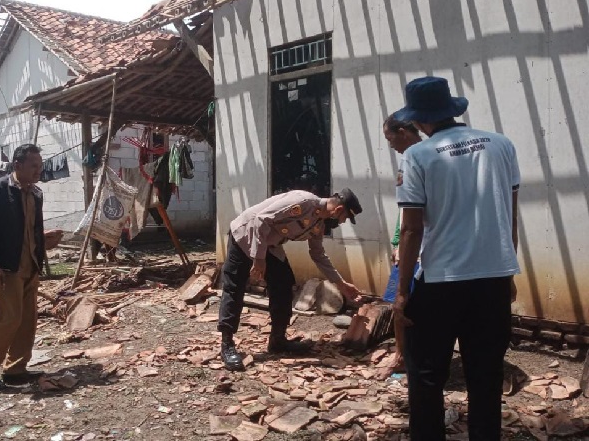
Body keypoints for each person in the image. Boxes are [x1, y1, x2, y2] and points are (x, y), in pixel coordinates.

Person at [392, 76, 520, 440]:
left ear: (418, 120)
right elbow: (509, 216)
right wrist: (507, 273)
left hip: (442, 283)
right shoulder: (501, 145)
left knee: (427, 376)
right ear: (451, 109)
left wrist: (401, 293)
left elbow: (412, 229)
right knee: (486, 375)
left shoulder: (418, 155)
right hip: (493, 281)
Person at [218, 188, 363, 371]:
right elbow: (260, 219)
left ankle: (278, 340)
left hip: (270, 245)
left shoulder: (318, 224)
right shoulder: (303, 202)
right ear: (338, 209)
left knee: (284, 284)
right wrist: (259, 259)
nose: (341, 222)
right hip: (245, 234)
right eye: (344, 218)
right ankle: (227, 345)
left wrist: (341, 284)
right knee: (235, 286)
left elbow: (318, 255)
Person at [0, 144, 63, 390]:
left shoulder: (36, 193)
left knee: (27, 320)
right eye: (34, 165)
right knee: (6, 319)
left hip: (30, 264)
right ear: (17, 165)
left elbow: (29, 230)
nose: (38, 170)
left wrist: (45, 239)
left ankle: (16, 369)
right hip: (7, 268)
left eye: (40, 165)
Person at [382, 115, 422, 376]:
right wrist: (398, 242)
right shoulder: (410, 160)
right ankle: (401, 355)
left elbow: (414, 222)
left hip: (424, 249)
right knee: (398, 306)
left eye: (390, 139)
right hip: (408, 246)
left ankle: (407, 358)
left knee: (405, 303)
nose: (391, 145)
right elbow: (405, 214)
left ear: (402, 132)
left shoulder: (420, 157)